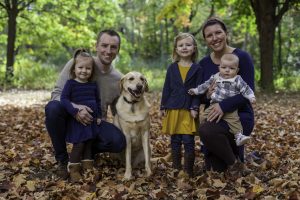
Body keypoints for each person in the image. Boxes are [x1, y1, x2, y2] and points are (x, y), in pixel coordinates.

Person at [45, 30, 126, 179]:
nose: (108, 51)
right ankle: (62, 160)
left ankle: (87, 153)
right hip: (70, 116)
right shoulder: (79, 62)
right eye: (104, 45)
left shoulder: (119, 79)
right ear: (96, 46)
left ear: (118, 50)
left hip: (94, 122)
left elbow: (119, 113)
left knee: (118, 141)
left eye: (113, 47)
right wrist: (75, 109)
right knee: (52, 108)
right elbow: (57, 94)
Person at [197, 17, 255, 173]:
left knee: (205, 130)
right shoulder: (203, 64)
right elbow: (201, 96)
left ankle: (236, 158)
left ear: (226, 33)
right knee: (215, 169)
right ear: (205, 40)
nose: (214, 38)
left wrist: (223, 106)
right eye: (209, 35)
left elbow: (248, 91)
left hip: (240, 115)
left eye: (218, 32)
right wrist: (207, 96)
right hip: (214, 118)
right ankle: (235, 162)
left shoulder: (242, 57)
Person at [188, 53, 255, 146]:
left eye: (231, 68)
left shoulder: (237, 79)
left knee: (234, 121)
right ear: (219, 68)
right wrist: (196, 90)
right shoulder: (216, 77)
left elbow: (246, 89)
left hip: (230, 107)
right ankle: (203, 137)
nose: (227, 70)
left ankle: (239, 136)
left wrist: (251, 96)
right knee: (203, 117)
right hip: (214, 105)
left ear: (237, 70)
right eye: (224, 68)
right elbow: (205, 85)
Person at [160, 32, 202, 178]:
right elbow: (167, 88)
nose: (184, 48)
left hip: (189, 110)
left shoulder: (198, 69)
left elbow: (199, 91)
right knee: (175, 140)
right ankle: (176, 169)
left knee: (188, 141)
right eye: (181, 45)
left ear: (194, 48)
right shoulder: (172, 68)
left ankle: (188, 171)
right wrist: (163, 106)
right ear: (176, 49)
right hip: (173, 109)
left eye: (188, 45)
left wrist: (195, 107)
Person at [60, 48, 102, 182]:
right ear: (74, 69)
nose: (84, 70)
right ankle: (73, 169)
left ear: (92, 71)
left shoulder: (93, 85)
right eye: (80, 67)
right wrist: (75, 111)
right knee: (79, 144)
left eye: (88, 68)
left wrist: (99, 116)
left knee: (89, 143)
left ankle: (87, 166)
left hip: (91, 121)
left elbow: (98, 101)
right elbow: (64, 99)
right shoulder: (71, 84)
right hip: (78, 120)